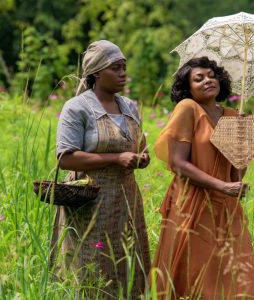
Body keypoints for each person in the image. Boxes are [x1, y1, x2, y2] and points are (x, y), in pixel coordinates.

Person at [150, 56, 254, 299]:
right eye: (198, 79)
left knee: (228, 272)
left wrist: (242, 144)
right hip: (192, 202)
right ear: (188, 88)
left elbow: (235, 174)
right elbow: (178, 163)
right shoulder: (188, 109)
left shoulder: (232, 116)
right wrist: (222, 185)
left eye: (211, 75)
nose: (208, 80)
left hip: (225, 206)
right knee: (193, 270)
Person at [52, 40, 151, 299]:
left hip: (126, 201)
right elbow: (66, 158)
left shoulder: (130, 107)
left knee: (127, 264)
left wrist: (141, 157)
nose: (123, 74)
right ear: (97, 72)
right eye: (116, 68)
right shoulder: (77, 108)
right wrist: (116, 158)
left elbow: (140, 145)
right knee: (91, 265)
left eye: (124, 68)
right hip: (90, 201)